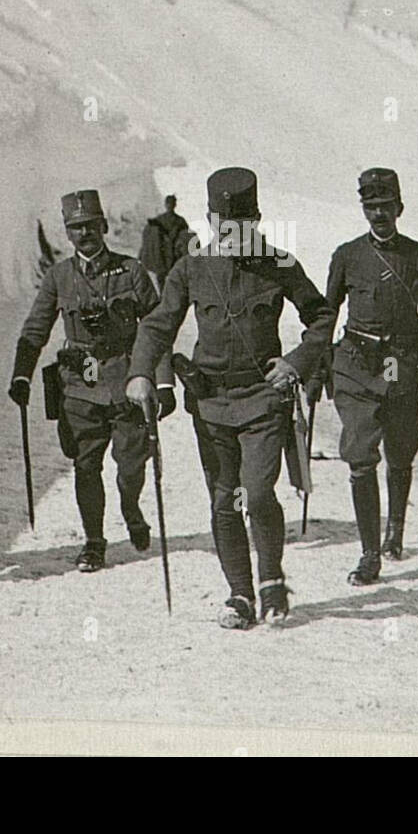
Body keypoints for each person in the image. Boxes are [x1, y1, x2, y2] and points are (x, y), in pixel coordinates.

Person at [125, 167, 335, 628]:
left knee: (257, 494)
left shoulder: (279, 264)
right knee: (225, 501)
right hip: (211, 401)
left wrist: (296, 362)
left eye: (241, 226)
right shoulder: (191, 267)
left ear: (256, 220)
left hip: (262, 398)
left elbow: (320, 317)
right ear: (209, 219)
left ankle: (271, 580)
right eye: (222, 225)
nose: (231, 234)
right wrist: (141, 373)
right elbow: (158, 324)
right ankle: (240, 595)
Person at [8, 189, 174, 572]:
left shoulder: (131, 271)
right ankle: (94, 542)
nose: (84, 234)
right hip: (79, 386)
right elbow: (35, 329)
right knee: (85, 465)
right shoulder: (59, 276)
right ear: (67, 234)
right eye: (76, 228)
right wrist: (21, 374)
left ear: (103, 226)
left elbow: (156, 328)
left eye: (90, 226)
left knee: (131, 466)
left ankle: (131, 509)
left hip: (126, 381)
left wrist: (161, 382)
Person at [325, 167, 418, 585]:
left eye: (385, 207)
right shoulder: (346, 255)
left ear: (399, 208)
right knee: (360, 456)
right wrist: (317, 366)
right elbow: (326, 315)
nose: (379, 215)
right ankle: (369, 553)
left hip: (401, 364)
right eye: (371, 207)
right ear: (364, 209)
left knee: (400, 449)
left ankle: (395, 528)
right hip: (358, 366)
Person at [138, 194, 192, 287]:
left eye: (172, 203)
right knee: (161, 277)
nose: (170, 206)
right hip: (162, 254)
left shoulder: (180, 221)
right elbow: (152, 234)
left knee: (176, 276)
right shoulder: (159, 220)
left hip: (175, 254)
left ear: (175, 205)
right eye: (168, 203)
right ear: (165, 204)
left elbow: (185, 236)